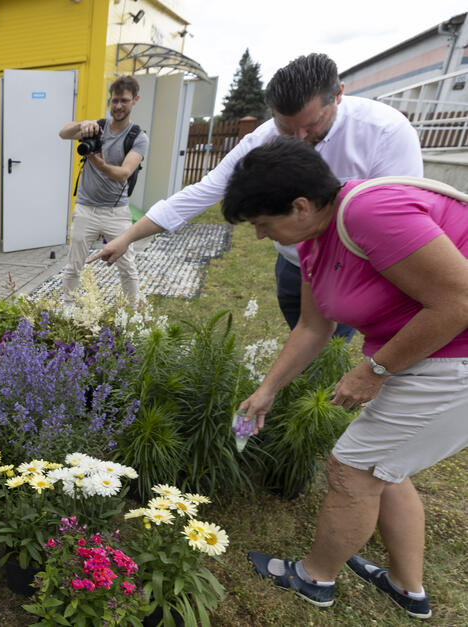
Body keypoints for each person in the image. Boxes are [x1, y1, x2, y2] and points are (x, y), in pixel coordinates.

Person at [223, 137, 468, 620]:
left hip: (453, 360)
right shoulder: (314, 240)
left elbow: (459, 301)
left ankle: (315, 579)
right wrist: (267, 389)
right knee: (386, 467)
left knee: (351, 469)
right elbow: (314, 326)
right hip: (425, 355)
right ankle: (406, 586)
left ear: (300, 205)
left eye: (263, 224)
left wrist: (375, 369)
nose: (259, 236)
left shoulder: (369, 212)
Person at [90, 54, 423, 336]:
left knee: (333, 346)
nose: (300, 138)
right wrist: (128, 237)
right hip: (294, 266)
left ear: (338, 95)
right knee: (305, 335)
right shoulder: (262, 138)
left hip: (351, 268)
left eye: (312, 126)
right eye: (286, 129)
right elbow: (204, 191)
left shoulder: (386, 132)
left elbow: (397, 225)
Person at [58, 75, 149, 304]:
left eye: (124, 101)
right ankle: (67, 309)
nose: (118, 106)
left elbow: (124, 174)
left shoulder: (138, 137)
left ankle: (131, 314)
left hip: (116, 212)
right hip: (86, 208)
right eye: (115, 100)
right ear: (110, 100)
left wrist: (101, 165)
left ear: (135, 100)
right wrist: (82, 125)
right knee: (73, 265)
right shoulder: (97, 128)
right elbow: (63, 133)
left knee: (127, 267)